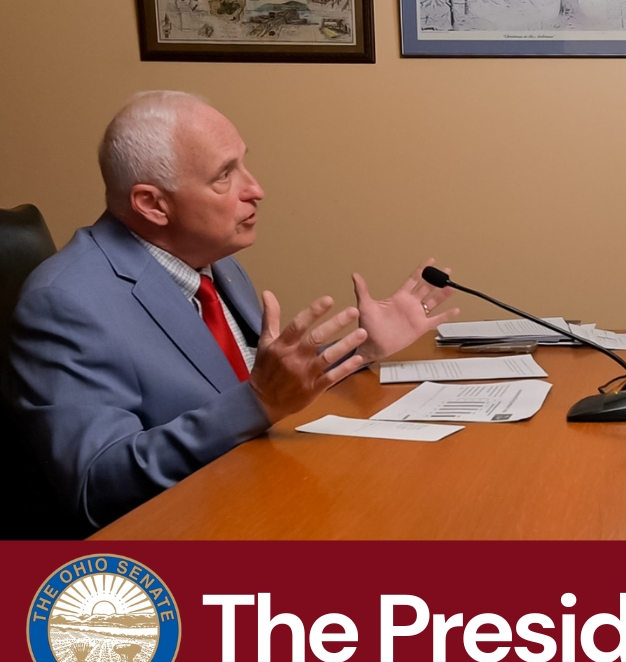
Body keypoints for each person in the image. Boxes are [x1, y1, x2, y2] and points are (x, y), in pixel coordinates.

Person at [7, 90, 460, 528]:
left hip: (258, 495)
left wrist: (362, 348)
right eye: (224, 175)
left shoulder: (212, 260)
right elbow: (96, 487)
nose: (256, 189)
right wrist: (259, 402)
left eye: (244, 162)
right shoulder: (64, 301)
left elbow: (252, 384)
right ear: (152, 204)